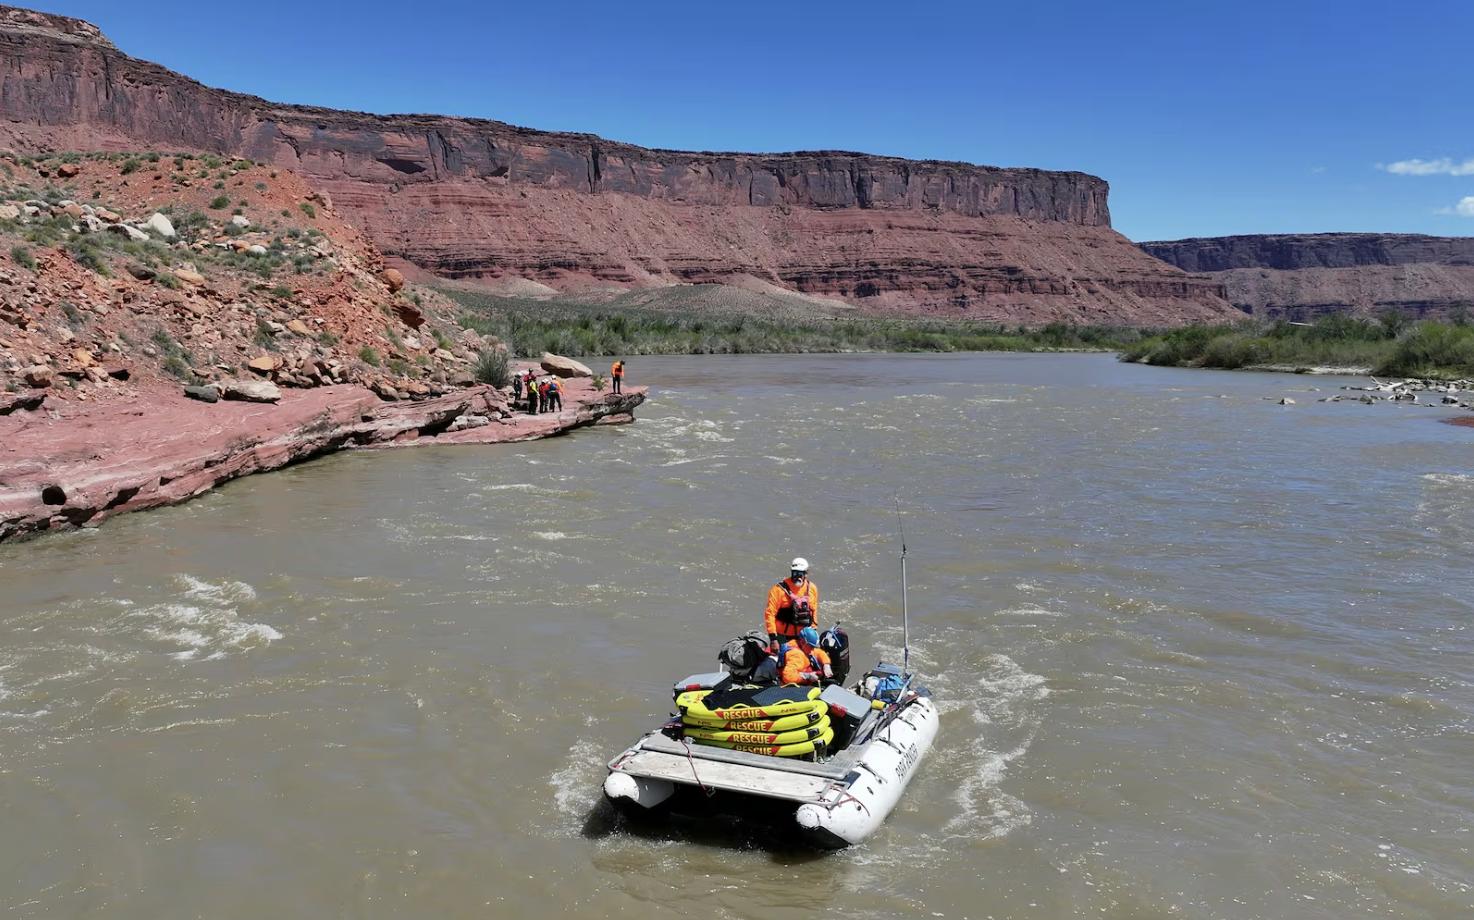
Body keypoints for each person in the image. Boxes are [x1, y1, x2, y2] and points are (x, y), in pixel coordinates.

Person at [764, 557, 818, 655]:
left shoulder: (812, 589)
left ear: (806, 574)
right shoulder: (778, 590)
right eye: (794, 573)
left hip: (803, 636)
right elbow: (769, 614)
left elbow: (813, 611)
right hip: (782, 636)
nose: (797, 577)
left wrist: (813, 631)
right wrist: (773, 639)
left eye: (800, 574)